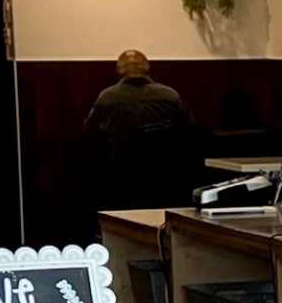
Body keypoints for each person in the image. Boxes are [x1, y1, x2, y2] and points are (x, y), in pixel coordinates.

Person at [80, 50, 201, 220]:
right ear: (147, 67)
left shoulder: (107, 97)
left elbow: (90, 136)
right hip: (165, 178)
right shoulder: (170, 96)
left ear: (119, 70)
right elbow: (189, 134)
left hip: (118, 180)